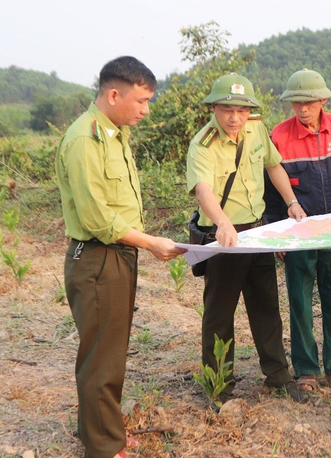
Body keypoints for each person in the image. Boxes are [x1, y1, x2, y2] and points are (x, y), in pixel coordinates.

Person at [55, 56, 186, 458]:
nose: (146, 110)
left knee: (109, 350)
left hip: (116, 257)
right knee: (101, 357)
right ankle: (104, 447)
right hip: (98, 258)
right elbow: (98, 218)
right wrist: (150, 242)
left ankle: (100, 432)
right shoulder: (85, 140)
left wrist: (140, 245)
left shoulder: (114, 133)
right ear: (114, 94)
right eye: (141, 101)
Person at [185, 73, 309, 405]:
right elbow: (203, 190)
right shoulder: (203, 143)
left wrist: (291, 202)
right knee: (219, 315)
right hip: (223, 237)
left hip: (257, 232)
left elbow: (274, 166)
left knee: (266, 305)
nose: (234, 117)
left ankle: (278, 376)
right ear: (214, 107)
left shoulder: (255, 129)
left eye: (241, 110)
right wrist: (224, 223)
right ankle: (219, 387)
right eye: (227, 109)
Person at [264, 69, 331, 393]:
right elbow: (271, 192)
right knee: (300, 301)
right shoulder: (279, 136)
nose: (302, 109)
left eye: (308, 102)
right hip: (298, 234)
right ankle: (306, 369)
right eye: (296, 103)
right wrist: (277, 232)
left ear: (322, 100)